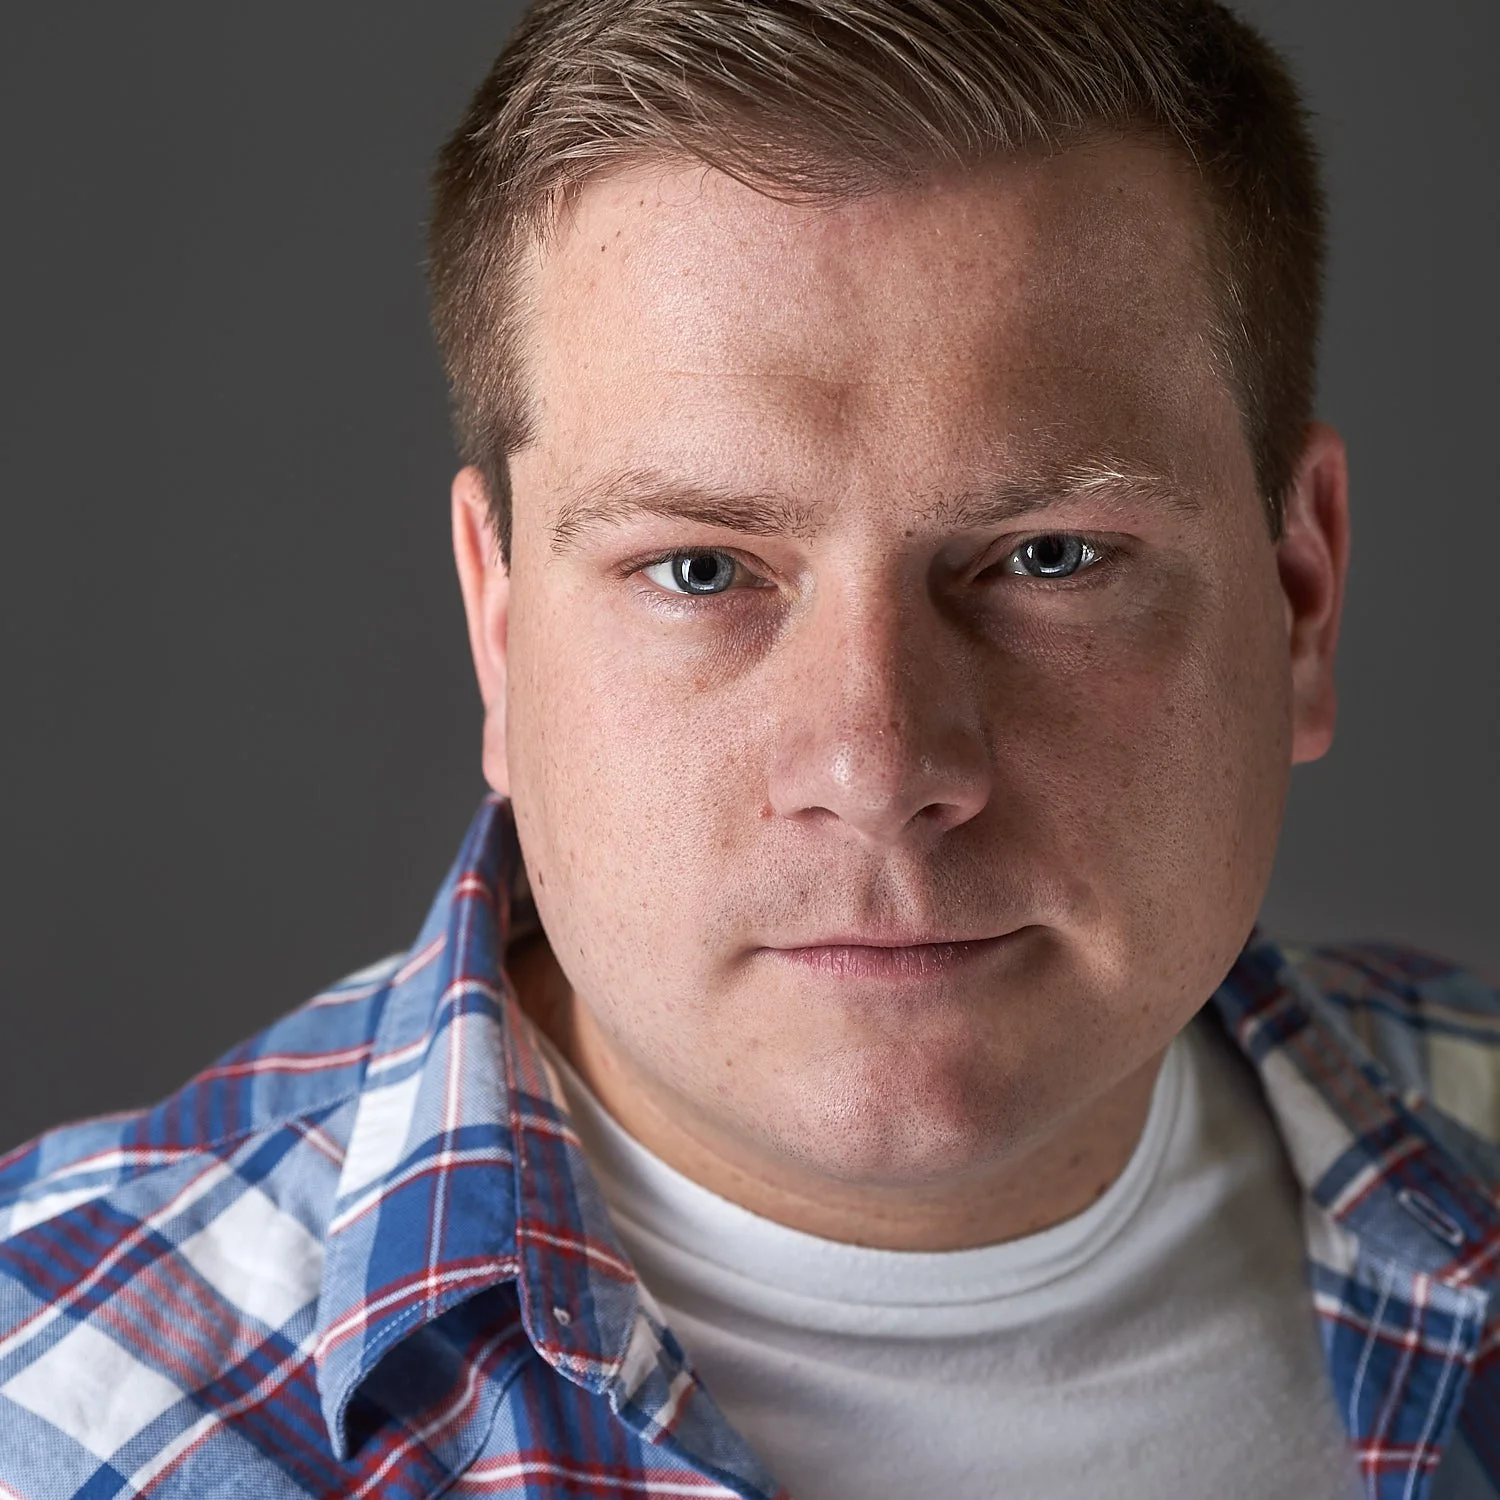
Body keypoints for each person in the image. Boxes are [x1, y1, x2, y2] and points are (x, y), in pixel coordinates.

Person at [1, 0, 1496, 1494]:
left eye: (1049, 557)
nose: (877, 763)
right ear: (500, 630)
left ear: (1301, 594)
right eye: (702, 570)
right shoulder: (53, 1404)